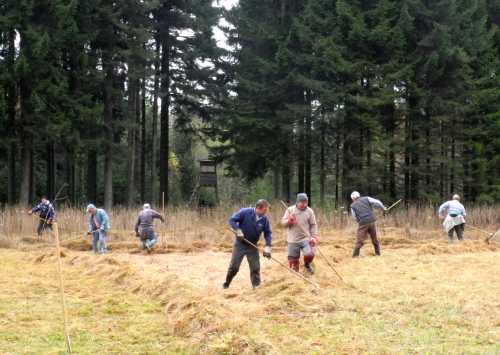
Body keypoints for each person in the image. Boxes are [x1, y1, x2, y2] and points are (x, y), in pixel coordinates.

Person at [223, 199, 272, 289]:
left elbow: (268, 233)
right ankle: (226, 283)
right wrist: (238, 230)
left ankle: (256, 286)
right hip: (240, 244)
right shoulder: (245, 212)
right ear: (258, 208)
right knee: (234, 267)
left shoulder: (264, 219)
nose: (266, 212)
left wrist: (268, 246)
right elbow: (232, 220)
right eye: (265, 210)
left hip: (252, 246)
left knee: (255, 268)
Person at [281, 193, 319, 274]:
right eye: (302, 202)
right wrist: (289, 221)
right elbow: (283, 224)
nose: (304, 204)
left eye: (305, 202)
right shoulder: (290, 210)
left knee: (310, 254)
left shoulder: (310, 211)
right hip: (293, 239)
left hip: (306, 238)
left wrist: (314, 237)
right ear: (297, 202)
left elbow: (313, 225)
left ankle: (307, 265)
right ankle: (296, 276)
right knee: (293, 261)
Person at [350, 191, 387, 257]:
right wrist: (383, 208)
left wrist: (359, 221)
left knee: (360, 240)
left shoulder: (352, 206)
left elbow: (354, 217)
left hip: (363, 223)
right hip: (372, 221)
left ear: (352, 198)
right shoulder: (366, 198)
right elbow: (377, 202)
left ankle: (355, 256)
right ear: (359, 195)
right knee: (374, 239)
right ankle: (378, 254)